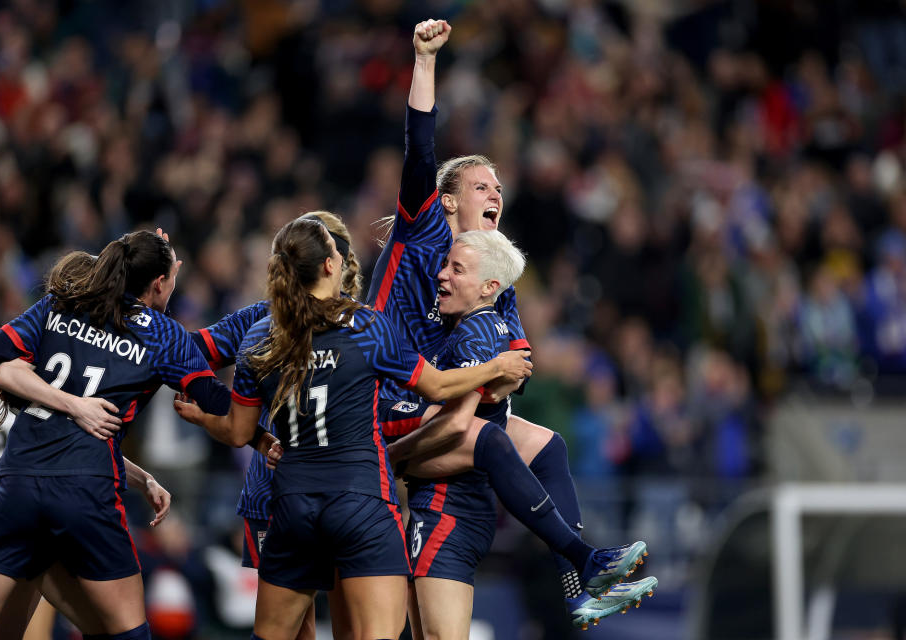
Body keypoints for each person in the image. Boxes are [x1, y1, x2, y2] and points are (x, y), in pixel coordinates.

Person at [366, 19, 650, 628]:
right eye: (480, 184)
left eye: (500, 186)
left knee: (548, 443)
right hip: (387, 399)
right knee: (490, 437)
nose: (496, 192)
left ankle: (577, 584)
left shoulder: (494, 272)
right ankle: (584, 557)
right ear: (447, 200)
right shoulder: (425, 233)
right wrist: (424, 63)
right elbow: (420, 147)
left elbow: (517, 367)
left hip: (440, 404)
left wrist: (496, 378)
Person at [172, 217, 532, 640]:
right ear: (328, 266)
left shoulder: (258, 338)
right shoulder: (366, 327)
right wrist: (497, 365)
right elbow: (437, 383)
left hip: (292, 505)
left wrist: (204, 416)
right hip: (361, 501)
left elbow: (237, 432)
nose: (344, 254)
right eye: (337, 249)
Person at [0, 230, 253, 640]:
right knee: (127, 633)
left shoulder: (60, 306)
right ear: (160, 282)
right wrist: (265, 436)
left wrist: (141, 476)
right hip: (84, 494)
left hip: (15, 487)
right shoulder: (162, 333)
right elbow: (213, 395)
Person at [190, 211, 360, 640]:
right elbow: (192, 354)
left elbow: (183, 356)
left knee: (341, 623)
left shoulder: (364, 328)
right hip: (286, 494)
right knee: (297, 627)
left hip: (335, 495)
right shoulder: (261, 320)